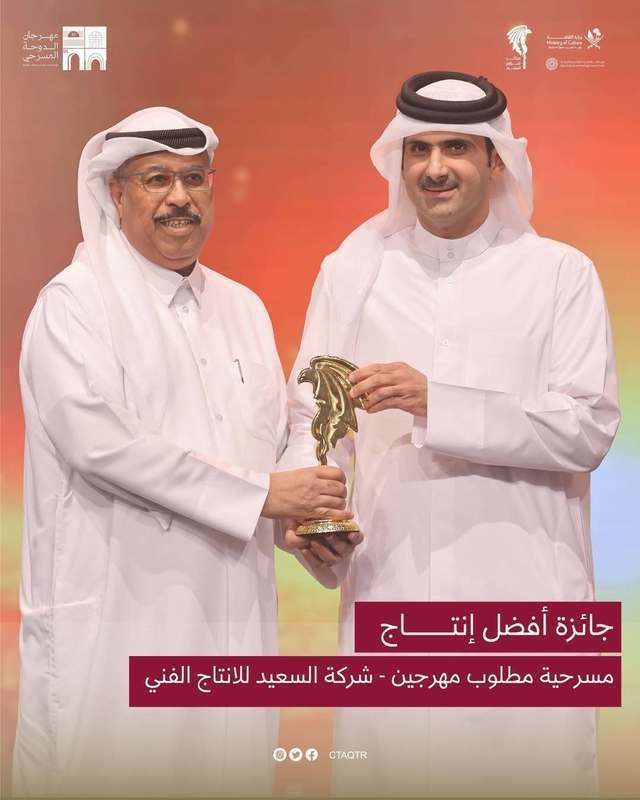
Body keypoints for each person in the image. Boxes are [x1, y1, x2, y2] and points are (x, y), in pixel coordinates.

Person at [279, 72, 620, 796]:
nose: (435, 168)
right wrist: (313, 521)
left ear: (495, 160)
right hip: (393, 591)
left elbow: (588, 428)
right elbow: (314, 416)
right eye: (419, 149)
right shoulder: (353, 272)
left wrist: (439, 403)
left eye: (457, 148)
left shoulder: (560, 274)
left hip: (526, 601)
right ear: (398, 162)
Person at [12, 106, 358, 798]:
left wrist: (301, 520)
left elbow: (278, 437)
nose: (180, 198)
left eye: (195, 179)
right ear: (115, 193)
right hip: (119, 625)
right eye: (157, 180)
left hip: (233, 624)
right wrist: (264, 496)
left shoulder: (242, 307)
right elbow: (100, 445)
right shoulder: (75, 304)